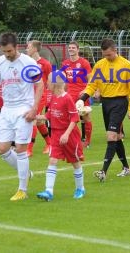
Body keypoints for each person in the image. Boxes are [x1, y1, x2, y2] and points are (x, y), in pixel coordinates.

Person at [0, 32, 44, 201]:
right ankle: (26, 173)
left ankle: (22, 190)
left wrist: (34, 109)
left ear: (16, 47)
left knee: (21, 149)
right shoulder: (0, 62)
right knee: (2, 149)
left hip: (24, 108)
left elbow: (40, 84)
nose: (7, 55)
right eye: (4, 51)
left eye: (9, 51)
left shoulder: (28, 62)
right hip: (7, 109)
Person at [76, 38, 130, 182]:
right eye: (104, 55)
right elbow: (92, 85)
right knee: (115, 137)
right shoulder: (99, 65)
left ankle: (103, 171)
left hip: (119, 102)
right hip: (106, 103)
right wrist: (82, 98)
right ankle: (126, 168)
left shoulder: (126, 65)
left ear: (115, 50)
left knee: (110, 136)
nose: (106, 58)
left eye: (109, 55)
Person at [36, 72, 85, 201]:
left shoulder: (67, 98)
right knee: (52, 160)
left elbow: (74, 118)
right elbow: (49, 115)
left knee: (75, 162)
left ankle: (80, 188)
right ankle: (48, 191)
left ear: (54, 84)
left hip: (69, 135)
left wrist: (67, 134)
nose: (46, 84)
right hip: (56, 135)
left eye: (48, 82)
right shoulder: (52, 97)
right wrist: (35, 117)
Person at [61, 41, 93, 147]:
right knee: (71, 119)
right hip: (70, 95)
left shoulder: (84, 63)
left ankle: (87, 141)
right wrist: (63, 92)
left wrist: (86, 91)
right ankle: (75, 139)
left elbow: (90, 79)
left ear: (78, 49)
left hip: (81, 95)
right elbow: (65, 80)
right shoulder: (65, 63)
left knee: (86, 117)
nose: (71, 49)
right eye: (69, 47)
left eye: (73, 47)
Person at [25, 40, 52, 156]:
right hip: (28, 96)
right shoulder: (26, 62)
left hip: (40, 96)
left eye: (28, 47)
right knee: (40, 122)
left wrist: (52, 95)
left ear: (35, 49)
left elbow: (50, 80)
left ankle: (29, 149)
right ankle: (50, 143)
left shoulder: (45, 64)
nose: (26, 49)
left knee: (33, 120)